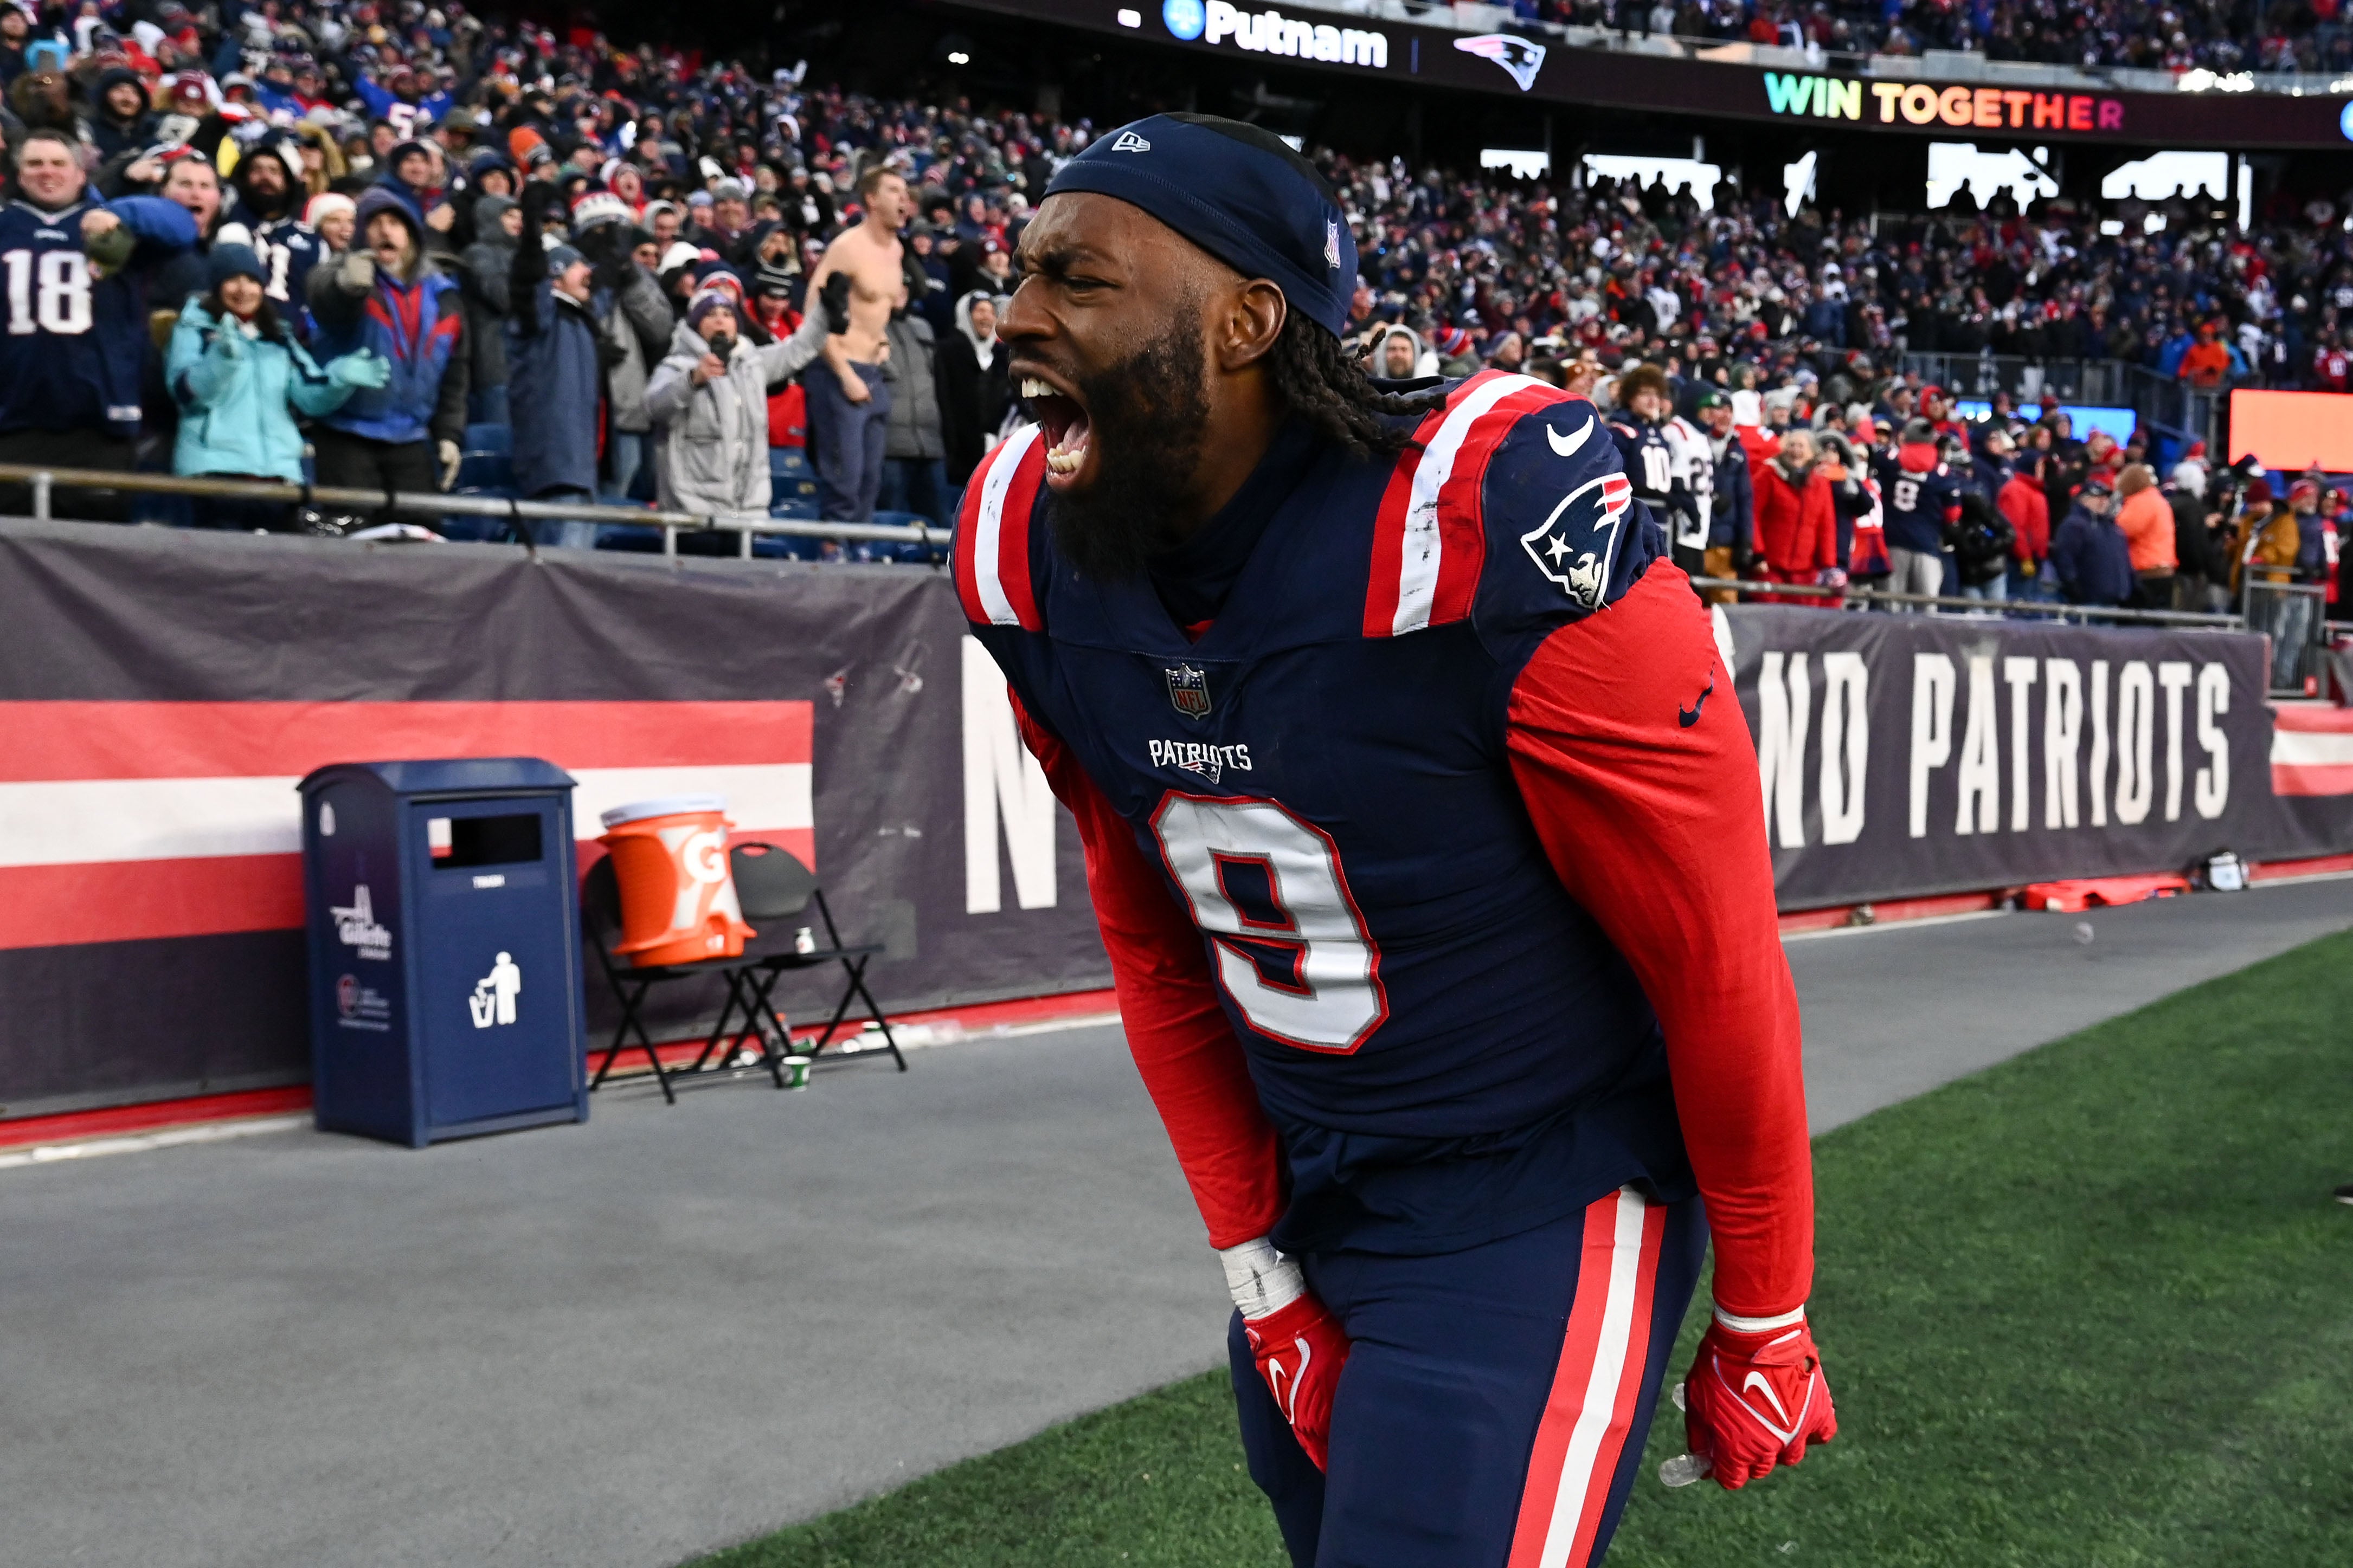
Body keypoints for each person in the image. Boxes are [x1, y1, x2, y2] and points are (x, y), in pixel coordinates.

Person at [966, 114, 1832, 1568]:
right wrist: (1259, 1271)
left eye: (1079, 278)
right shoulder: (1022, 542)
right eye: (1021, 271)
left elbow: (1713, 957)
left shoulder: (1487, 523)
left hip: (1536, 1187)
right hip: (1313, 1188)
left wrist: (1765, 1307)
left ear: (1246, 321)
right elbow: (1156, 939)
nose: (1016, 315)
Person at [0, 127, 196, 518]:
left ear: (80, 174)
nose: (47, 172)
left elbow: (182, 226)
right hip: (13, 421)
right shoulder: (6, 226)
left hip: (99, 425)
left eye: (58, 163)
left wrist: (118, 215)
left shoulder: (116, 225)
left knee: (91, 547)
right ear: (19, 175)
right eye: (35, 164)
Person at [165, 243, 388, 528]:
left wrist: (339, 380)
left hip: (279, 478)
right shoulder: (194, 330)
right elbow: (185, 394)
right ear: (216, 287)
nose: (243, 290)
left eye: (251, 280)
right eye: (232, 280)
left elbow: (309, 397)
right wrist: (220, 362)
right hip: (214, 475)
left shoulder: (279, 336)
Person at [306, 185, 467, 505]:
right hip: (345, 435)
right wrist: (347, 287)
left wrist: (449, 435)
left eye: (394, 223)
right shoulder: (343, 275)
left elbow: (455, 373)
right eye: (374, 224)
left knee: (420, 529)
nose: (384, 231)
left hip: (411, 438)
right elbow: (325, 301)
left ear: (411, 234)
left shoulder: (444, 296)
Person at [644, 288, 832, 519]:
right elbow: (654, 407)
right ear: (696, 325)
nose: (720, 320)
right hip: (693, 512)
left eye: (728, 314)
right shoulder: (677, 367)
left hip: (747, 513)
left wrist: (825, 311)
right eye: (710, 314)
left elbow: (798, 349)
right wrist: (692, 380)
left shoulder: (753, 365)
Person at [803, 163, 909, 521]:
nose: (904, 199)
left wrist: (882, 342)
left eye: (905, 193)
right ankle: (833, 547)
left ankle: (860, 548)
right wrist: (844, 374)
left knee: (870, 480)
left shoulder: (896, 250)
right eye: (893, 191)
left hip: (873, 371)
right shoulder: (847, 247)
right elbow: (812, 312)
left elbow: (876, 310)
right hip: (838, 370)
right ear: (871, 200)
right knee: (844, 480)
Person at [505, 186, 607, 546]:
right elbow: (527, 282)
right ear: (557, 275)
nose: (589, 274)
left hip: (579, 469)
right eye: (581, 267)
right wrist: (532, 233)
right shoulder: (542, 317)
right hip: (556, 469)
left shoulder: (582, 322)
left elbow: (611, 284)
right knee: (560, 571)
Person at [1608, 362, 1700, 574]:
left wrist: (1687, 503)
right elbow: (1618, 478)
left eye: (1657, 395)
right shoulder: (1621, 432)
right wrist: (1659, 496)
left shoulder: (1659, 433)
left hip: (1661, 522)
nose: (1652, 401)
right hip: (1633, 522)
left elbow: (1667, 476)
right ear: (1630, 397)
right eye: (1645, 394)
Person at [1876, 416, 1961, 608]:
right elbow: (1953, 513)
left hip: (1892, 542)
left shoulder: (1888, 460)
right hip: (1927, 545)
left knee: (1890, 609)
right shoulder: (1941, 472)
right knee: (1926, 609)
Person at [879, 296, 949, 525]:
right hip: (890, 446)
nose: (901, 292)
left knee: (943, 525)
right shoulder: (869, 326)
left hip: (931, 445)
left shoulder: (923, 327)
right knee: (889, 523)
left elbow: (939, 383)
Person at [936, 287, 1010, 498]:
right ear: (966, 315)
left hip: (994, 454)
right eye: (980, 311)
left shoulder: (1002, 358)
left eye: (991, 312)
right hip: (958, 459)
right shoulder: (947, 351)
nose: (987, 317)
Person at [1751, 429, 1841, 601]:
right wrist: (1758, 554)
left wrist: (1828, 565)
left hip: (1806, 572)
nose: (1795, 450)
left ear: (1812, 453)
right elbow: (1753, 515)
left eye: (1801, 446)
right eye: (1792, 445)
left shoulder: (1821, 484)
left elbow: (1826, 527)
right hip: (1769, 567)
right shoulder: (1768, 474)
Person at [2050, 475, 2135, 607]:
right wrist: (2075, 588)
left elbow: (2124, 561)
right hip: (2087, 603)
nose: (2103, 501)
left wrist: (2132, 586)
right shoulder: (2074, 526)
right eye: (2097, 497)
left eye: (2106, 498)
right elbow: (2065, 560)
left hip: (2114, 601)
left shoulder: (2113, 528)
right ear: (2083, 500)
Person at [2113, 463, 2176, 609]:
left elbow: (2121, 531)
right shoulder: (2158, 500)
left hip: (2147, 572)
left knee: (2139, 619)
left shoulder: (2141, 502)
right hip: (2163, 569)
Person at [2000, 450, 2053, 600]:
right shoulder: (2016, 489)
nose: (2042, 470)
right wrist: (2024, 557)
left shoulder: (2034, 491)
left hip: (2035, 560)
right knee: (2020, 605)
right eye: (2039, 465)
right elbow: (2015, 527)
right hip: (2019, 562)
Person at [2164, 461, 2215, 612]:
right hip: (2189, 573)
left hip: (2173, 567)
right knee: (2188, 613)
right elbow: (2193, 540)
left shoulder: (2172, 503)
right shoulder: (2192, 507)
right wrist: (2201, 566)